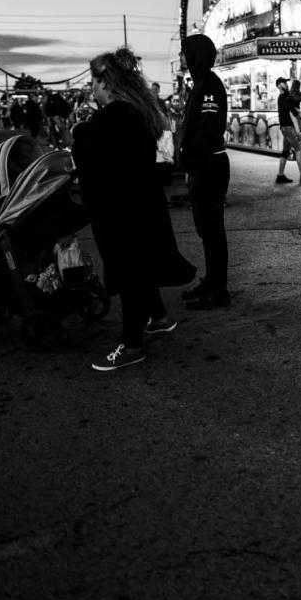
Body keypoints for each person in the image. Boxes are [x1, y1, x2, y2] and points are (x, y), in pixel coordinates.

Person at [71, 47, 196, 371]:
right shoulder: (135, 111)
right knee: (141, 264)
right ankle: (159, 317)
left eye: (94, 83)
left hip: (124, 208)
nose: (92, 90)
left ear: (106, 83)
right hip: (140, 202)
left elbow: (90, 149)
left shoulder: (116, 115)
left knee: (130, 272)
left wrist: (79, 131)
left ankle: (132, 344)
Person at [176, 34, 232, 310]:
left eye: (185, 53)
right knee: (205, 229)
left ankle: (218, 292)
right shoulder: (199, 84)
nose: (182, 58)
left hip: (210, 164)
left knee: (212, 231)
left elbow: (209, 129)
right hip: (202, 165)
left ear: (196, 55)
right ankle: (211, 282)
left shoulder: (209, 84)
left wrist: (187, 154)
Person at [274, 76, 301, 184]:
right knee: (299, 150)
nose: (286, 84)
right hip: (287, 128)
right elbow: (291, 110)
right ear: (279, 86)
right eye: (283, 83)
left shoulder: (286, 96)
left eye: (286, 83)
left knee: (285, 151)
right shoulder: (282, 98)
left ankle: (280, 176)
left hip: (286, 128)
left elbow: (297, 102)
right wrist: (298, 116)